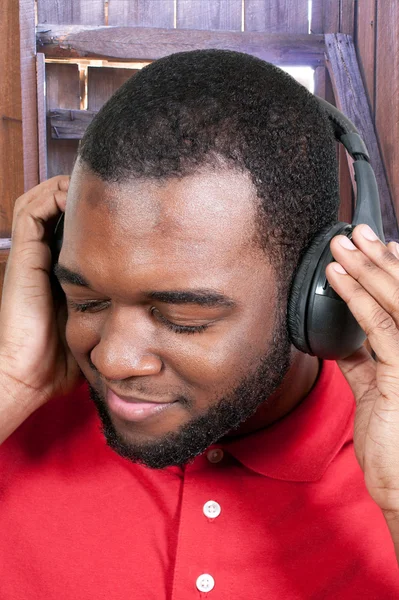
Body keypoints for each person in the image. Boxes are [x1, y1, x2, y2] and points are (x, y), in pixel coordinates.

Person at [0, 49, 399, 599]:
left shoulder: (389, 458)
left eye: (183, 317)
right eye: (86, 300)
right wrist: (10, 387)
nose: (114, 360)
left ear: (318, 298)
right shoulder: (14, 418)